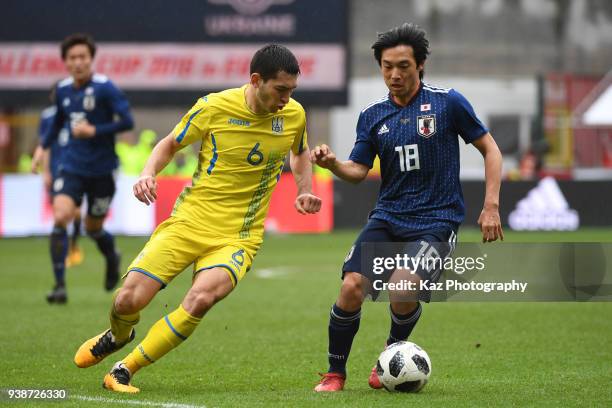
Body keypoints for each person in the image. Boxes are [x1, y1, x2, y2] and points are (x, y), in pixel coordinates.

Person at [73, 44, 321, 394]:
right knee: (127, 301)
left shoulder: (293, 115)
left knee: (201, 299)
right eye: (280, 90)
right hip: (189, 222)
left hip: (239, 235)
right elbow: (170, 144)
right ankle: (118, 335)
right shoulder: (214, 106)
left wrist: (303, 189)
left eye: (292, 91)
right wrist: (147, 172)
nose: (286, 98)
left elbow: (300, 153)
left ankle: (125, 369)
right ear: (256, 80)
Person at [311, 23, 504, 392]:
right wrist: (333, 163)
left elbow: (491, 150)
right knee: (351, 286)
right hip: (388, 217)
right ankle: (335, 373)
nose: (394, 74)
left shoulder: (448, 103)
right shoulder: (372, 115)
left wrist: (490, 206)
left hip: (437, 219)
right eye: (386, 66)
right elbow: (357, 171)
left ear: (421, 64)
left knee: (403, 285)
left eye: (403, 65)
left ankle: (389, 355)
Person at [31, 33, 134, 303]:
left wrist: (95, 130)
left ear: (91, 59)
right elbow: (56, 124)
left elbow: (127, 121)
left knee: (93, 227)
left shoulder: (105, 88)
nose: (78, 62)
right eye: (73, 58)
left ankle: (112, 258)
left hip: (102, 171)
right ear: (65, 62)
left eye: (83, 57)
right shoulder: (63, 90)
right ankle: (59, 286)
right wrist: (42, 148)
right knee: (60, 216)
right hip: (72, 167)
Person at [38, 85, 85, 281]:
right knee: (61, 215)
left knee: (75, 212)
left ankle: (73, 245)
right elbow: (45, 145)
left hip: (77, 169)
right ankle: (65, 255)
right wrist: (46, 171)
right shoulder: (48, 116)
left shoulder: (78, 114)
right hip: (57, 171)